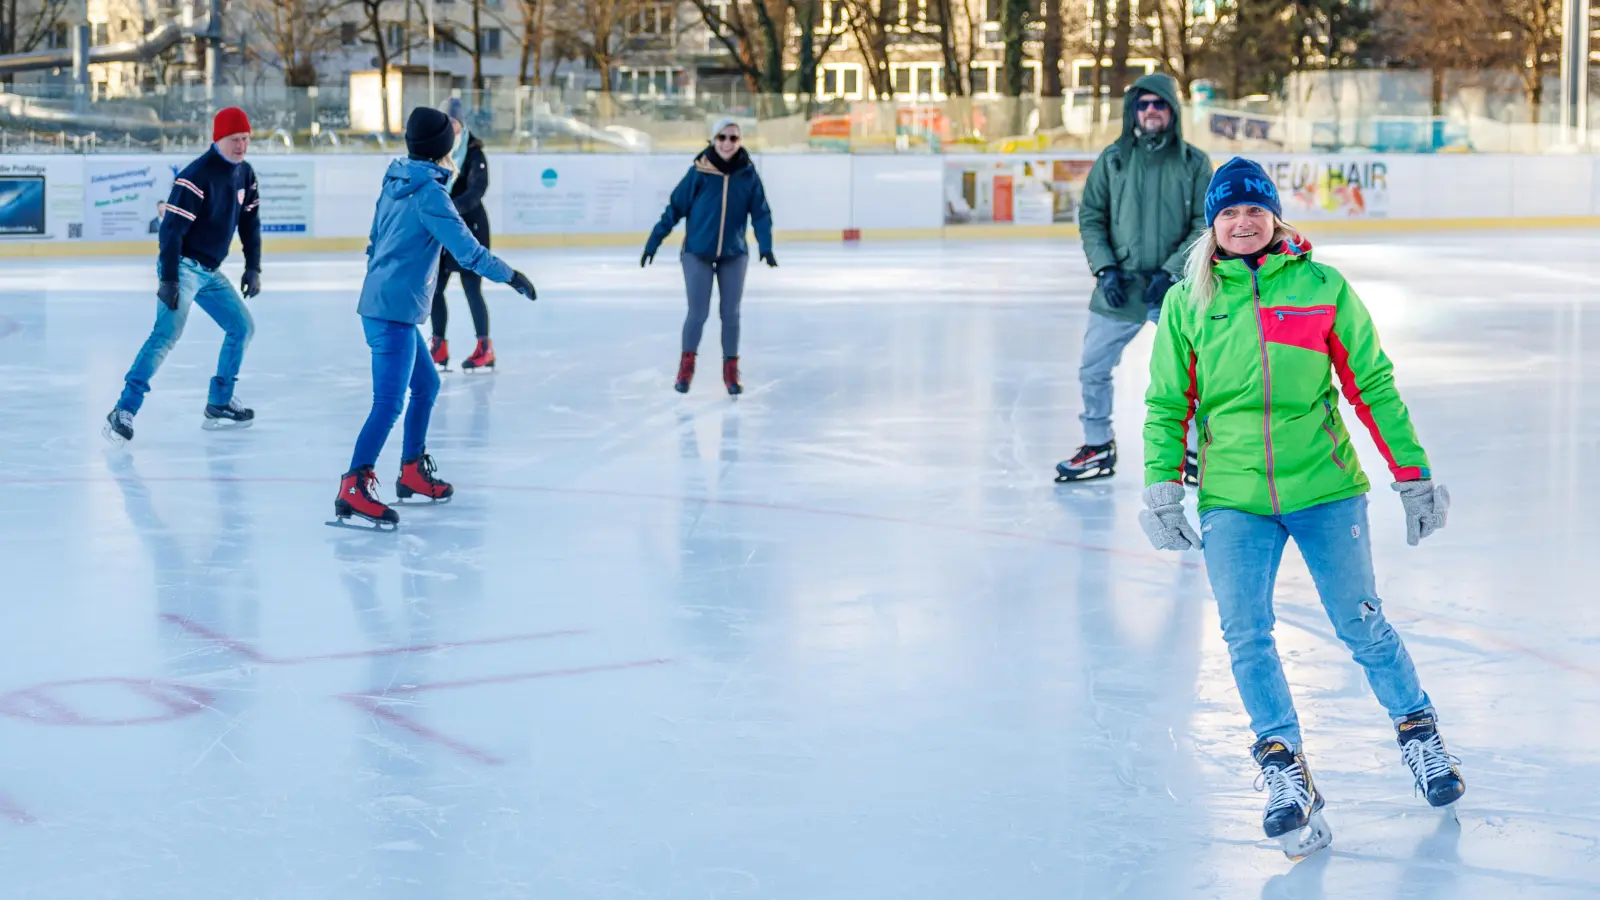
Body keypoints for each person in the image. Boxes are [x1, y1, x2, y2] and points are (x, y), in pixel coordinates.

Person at [1139, 158, 1463, 859]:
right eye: (1229, 213)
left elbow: (1370, 384)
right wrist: (1162, 484)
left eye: (1255, 209)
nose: (1243, 221)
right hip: (1233, 496)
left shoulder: (1322, 288)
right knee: (1245, 633)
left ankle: (1420, 735)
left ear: (1275, 216)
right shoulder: (1188, 303)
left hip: (1324, 488)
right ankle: (1284, 766)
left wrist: (1413, 475)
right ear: (1213, 225)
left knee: (1361, 623)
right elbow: (1168, 403)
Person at [332, 107, 537, 529]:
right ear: (444, 147)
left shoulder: (395, 180)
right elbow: (469, 252)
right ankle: (353, 485)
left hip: (387, 304)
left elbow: (373, 241)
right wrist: (512, 276)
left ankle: (410, 471)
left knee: (426, 384)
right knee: (388, 404)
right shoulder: (429, 194)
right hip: (391, 311)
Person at [1055, 73, 1212, 483]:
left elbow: (1205, 223)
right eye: (1142, 105)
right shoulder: (1113, 160)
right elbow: (1091, 216)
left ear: (1172, 110)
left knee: (1191, 371)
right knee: (1093, 368)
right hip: (1120, 287)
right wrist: (1105, 268)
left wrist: (1172, 270)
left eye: (1159, 104)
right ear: (1133, 112)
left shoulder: (1194, 163)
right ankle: (1097, 446)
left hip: (1174, 289)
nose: (1151, 111)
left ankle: (1195, 452)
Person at [105, 107, 261, 443]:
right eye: (235, 139)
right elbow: (171, 232)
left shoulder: (245, 174)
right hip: (183, 266)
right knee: (167, 333)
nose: (241, 146)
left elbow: (250, 224)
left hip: (210, 270)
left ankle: (220, 400)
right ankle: (124, 409)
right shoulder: (197, 176)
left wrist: (253, 266)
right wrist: (170, 280)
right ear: (218, 139)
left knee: (242, 326)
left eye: (246, 139)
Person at [642, 117, 775, 396]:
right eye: (722, 138)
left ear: (740, 142)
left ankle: (730, 371)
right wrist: (654, 241)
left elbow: (761, 212)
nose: (727, 143)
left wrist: (766, 244)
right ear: (713, 140)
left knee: (731, 314)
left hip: (734, 254)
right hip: (696, 253)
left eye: (733, 138)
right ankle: (686, 366)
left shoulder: (748, 175)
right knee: (698, 312)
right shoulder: (699, 173)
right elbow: (674, 209)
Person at [427, 97, 496, 372]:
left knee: (471, 289)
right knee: (435, 290)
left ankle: (484, 347)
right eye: (446, 121)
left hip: (471, 229)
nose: (450, 126)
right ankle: (439, 345)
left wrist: (450, 208)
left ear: (461, 122)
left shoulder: (474, 151)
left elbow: (478, 190)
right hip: (445, 230)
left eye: (453, 121)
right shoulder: (436, 151)